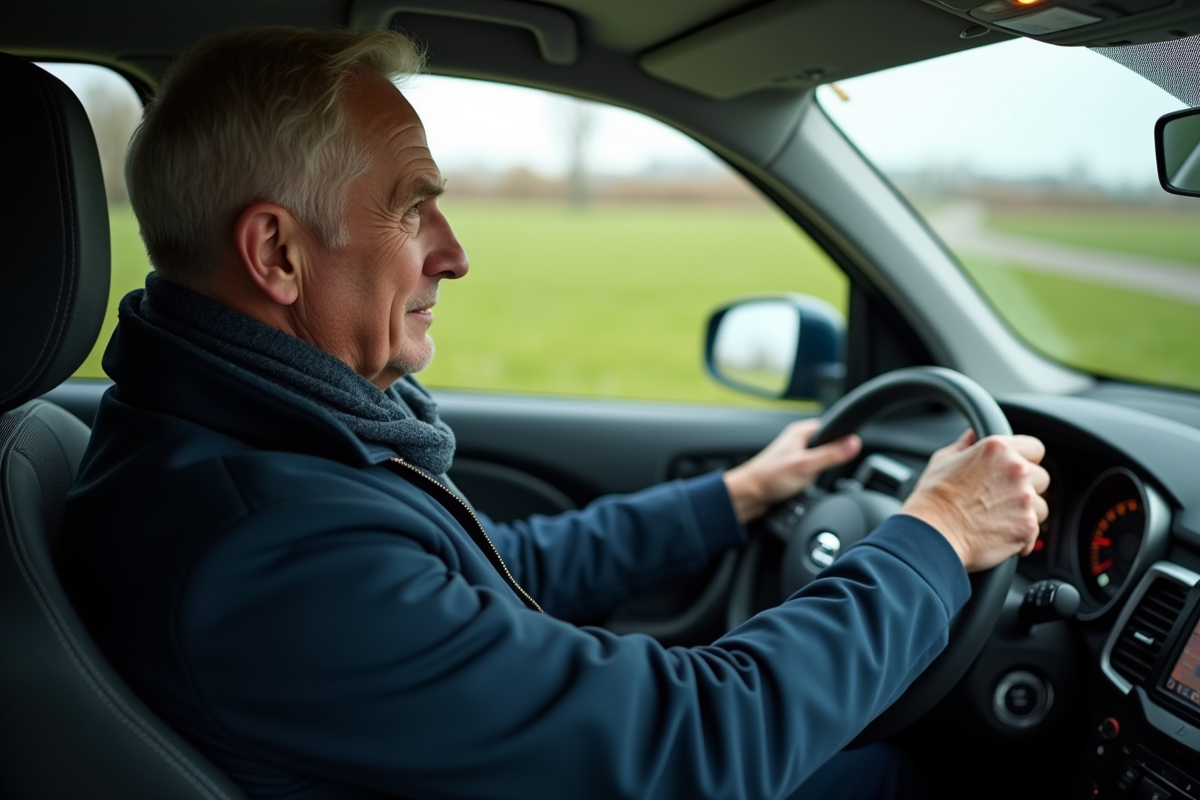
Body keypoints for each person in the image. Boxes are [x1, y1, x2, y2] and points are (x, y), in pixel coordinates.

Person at [62, 26, 1049, 800]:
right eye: (411, 208)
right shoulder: (272, 552)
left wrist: (733, 496)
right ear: (277, 253)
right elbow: (694, 745)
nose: (455, 254)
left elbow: (495, 572)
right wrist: (935, 533)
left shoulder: (235, 442)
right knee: (894, 779)